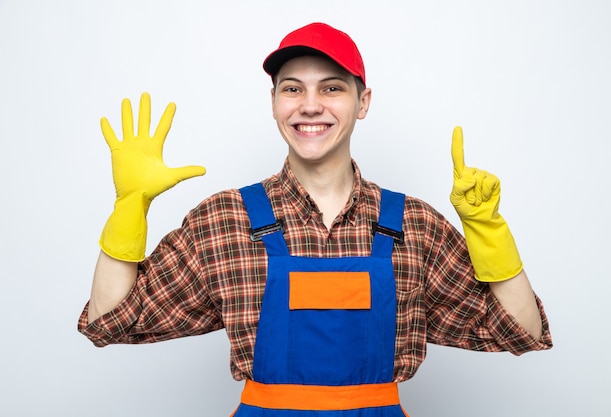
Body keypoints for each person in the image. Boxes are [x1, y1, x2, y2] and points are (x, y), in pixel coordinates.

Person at [79, 22, 552, 416]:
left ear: (362, 102)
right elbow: (110, 322)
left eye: (332, 88)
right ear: (273, 103)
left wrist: (488, 231)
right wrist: (129, 209)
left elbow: (520, 332)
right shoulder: (223, 220)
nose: (310, 105)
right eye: (292, 89)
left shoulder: (414, 225)